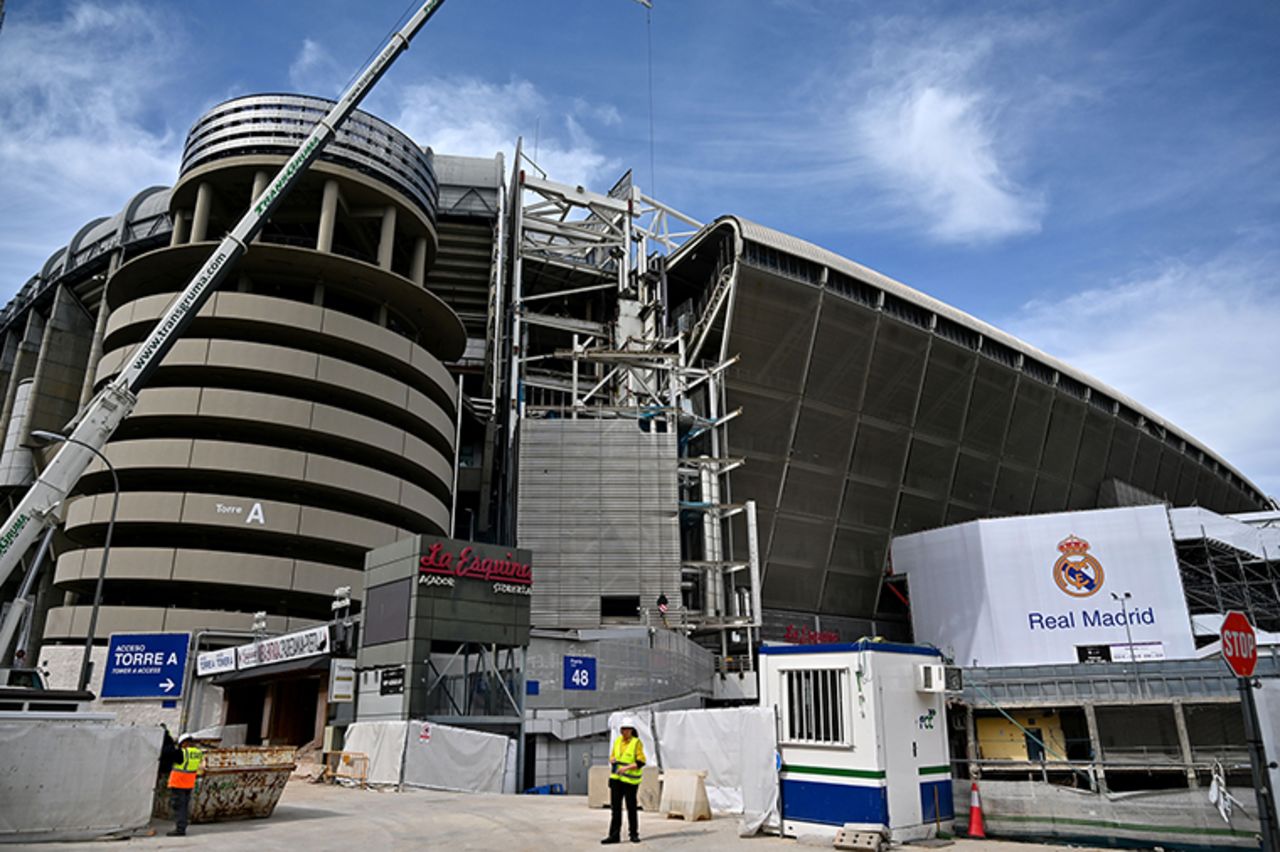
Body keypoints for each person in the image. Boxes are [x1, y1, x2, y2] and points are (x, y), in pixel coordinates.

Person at [602, 717, 645, 844]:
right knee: (615, 809)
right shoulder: (617, 741)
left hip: (630, 782)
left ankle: (633, 834)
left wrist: (626, 768)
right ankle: (614, 835)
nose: (624, 731)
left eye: (627, 729)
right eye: (623, 729)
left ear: (631, 730)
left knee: (631, 808)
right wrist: (612, 760)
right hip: (616, 780)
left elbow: (641, 762)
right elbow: (613, 756)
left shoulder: (636, 743)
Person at [166, 733, 204, 837]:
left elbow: (167, 753)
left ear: (183, 743)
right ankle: (182, 826)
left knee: (179, 806)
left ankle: (180, 829)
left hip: (178, 783)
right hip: (189, 783)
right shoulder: (198, 752)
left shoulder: (181, 753)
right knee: (184, 806)